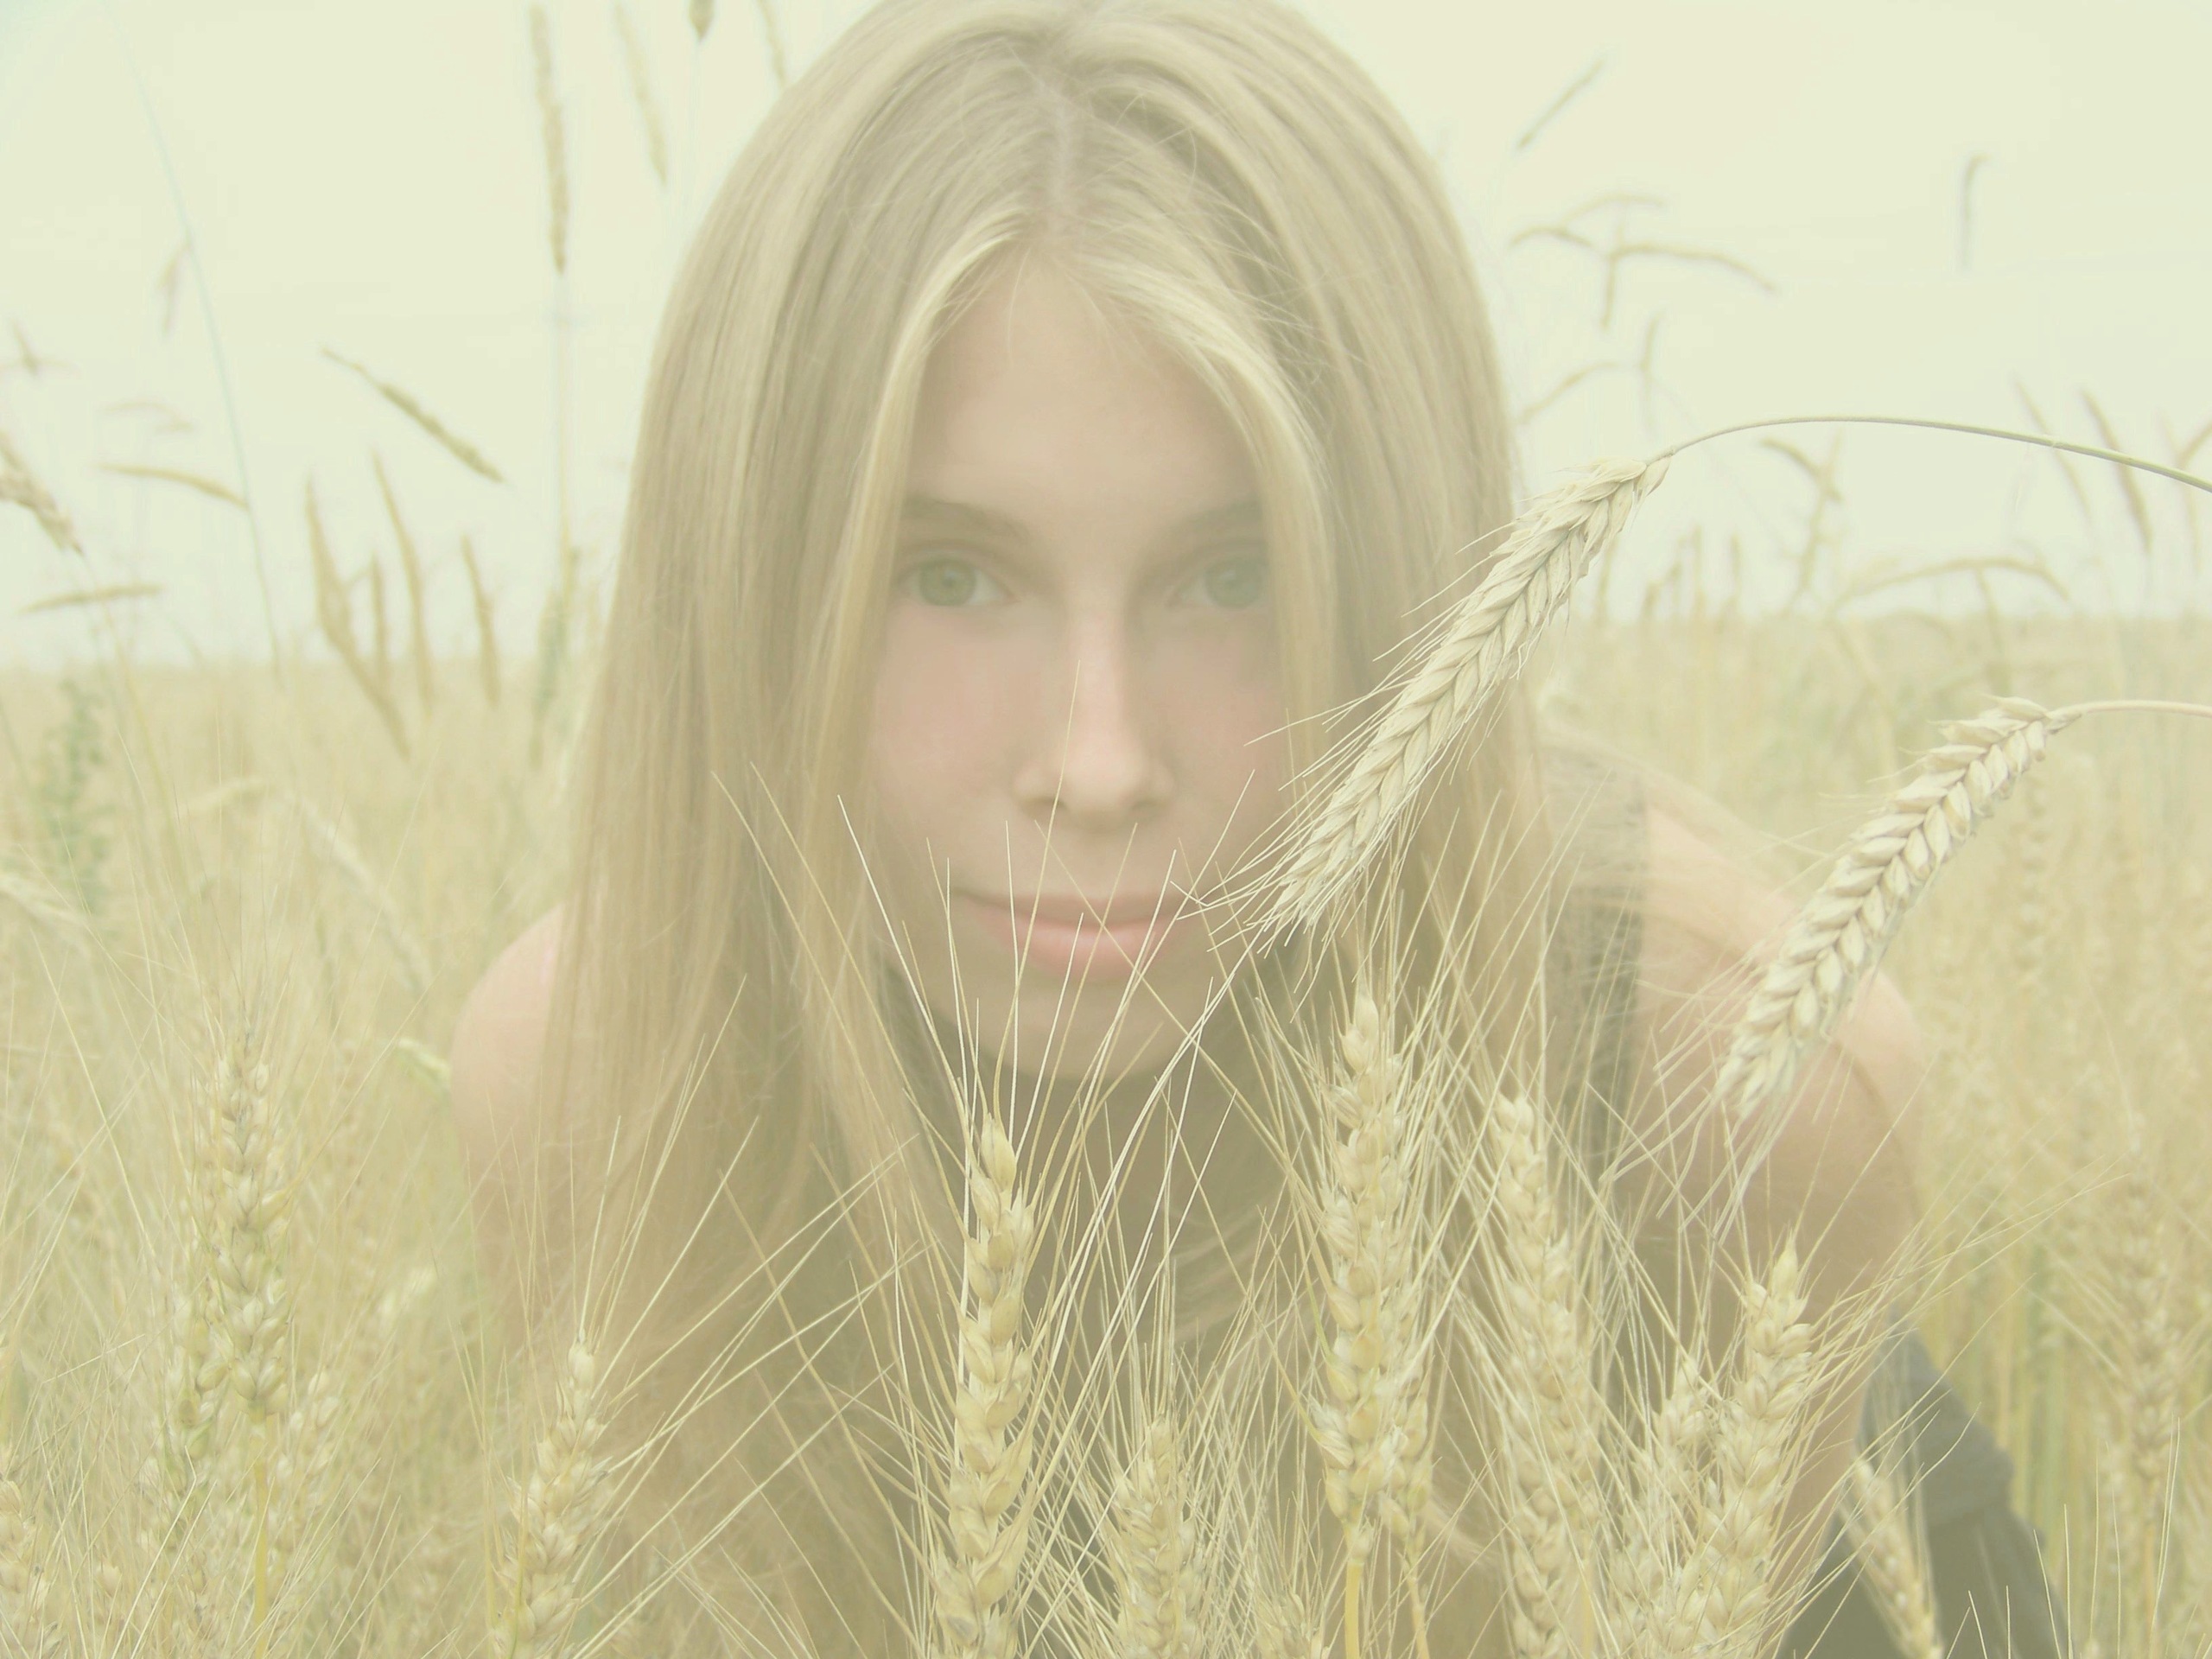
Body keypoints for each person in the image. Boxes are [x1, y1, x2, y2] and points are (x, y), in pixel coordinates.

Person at [448, 1, 2063, 1652]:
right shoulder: (597, 1089)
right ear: (746, 588)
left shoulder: (1727, 1085)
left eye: (1233, 575)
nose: (1098, 764)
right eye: (948, 575)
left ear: (1412, 595)